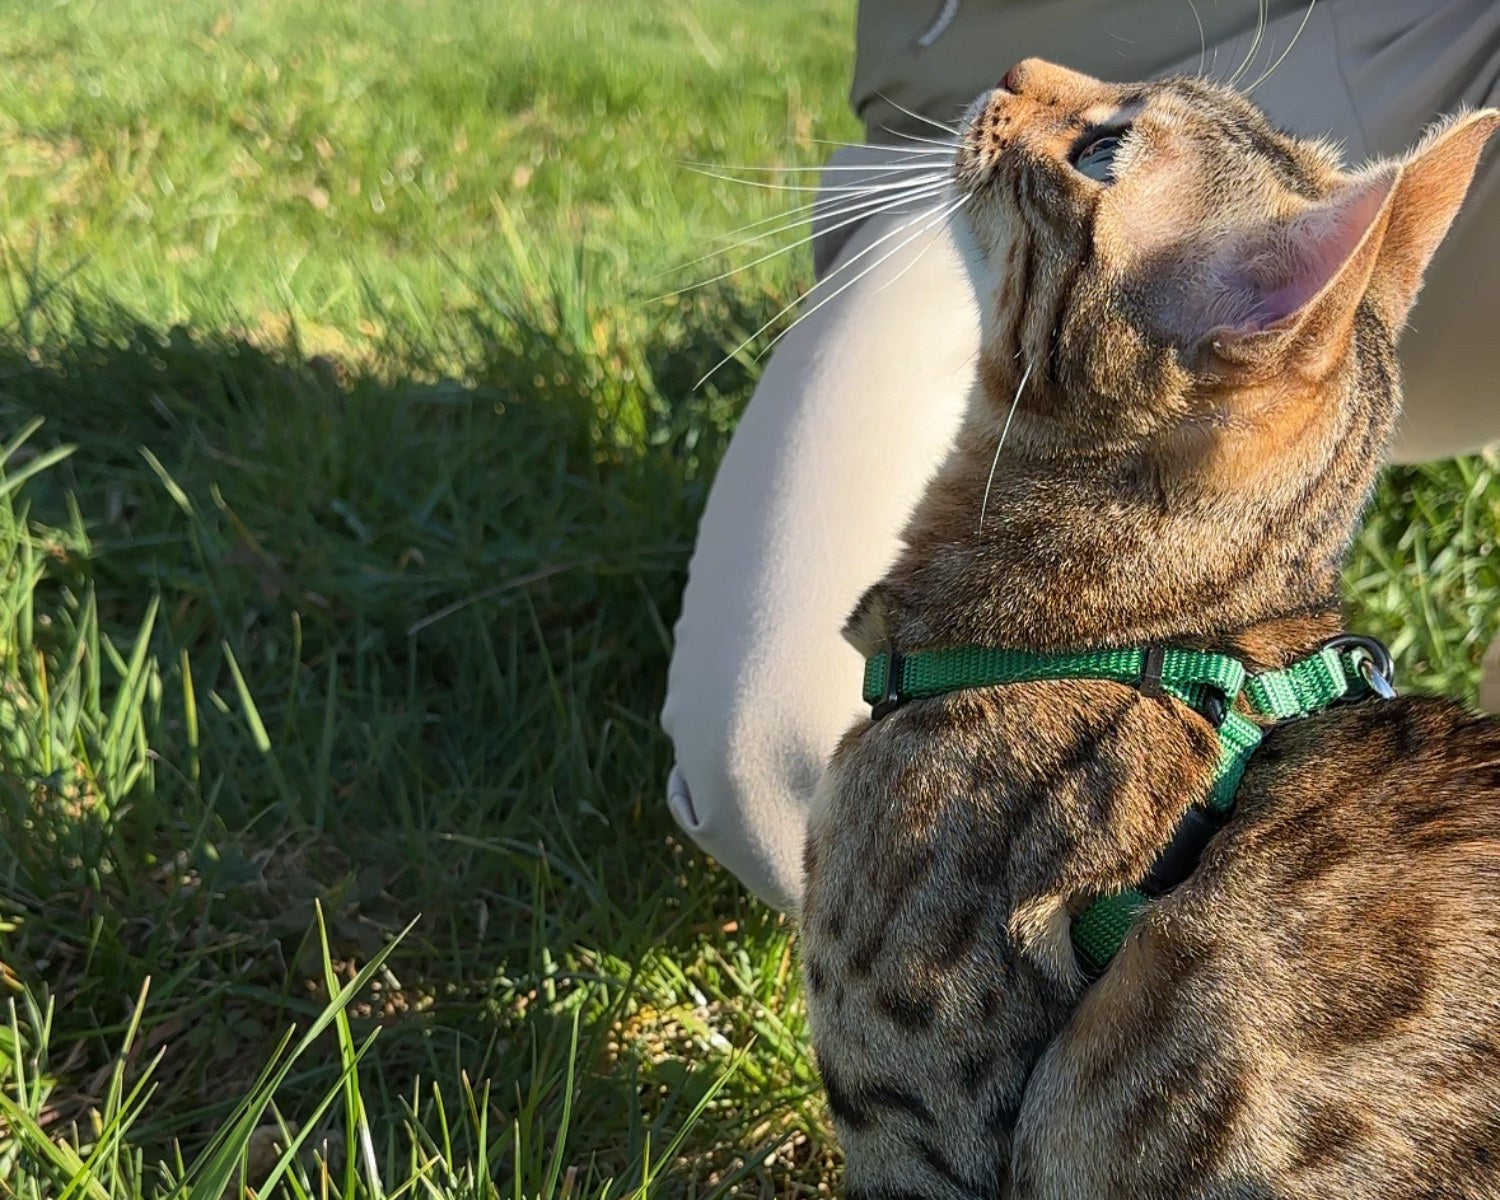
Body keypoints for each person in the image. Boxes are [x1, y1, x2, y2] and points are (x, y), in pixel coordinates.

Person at [661, 0, 1500, 910]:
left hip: (1430, 37)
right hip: (1010, 119)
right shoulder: (1049, 103)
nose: (1036, 71)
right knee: (779, 754)